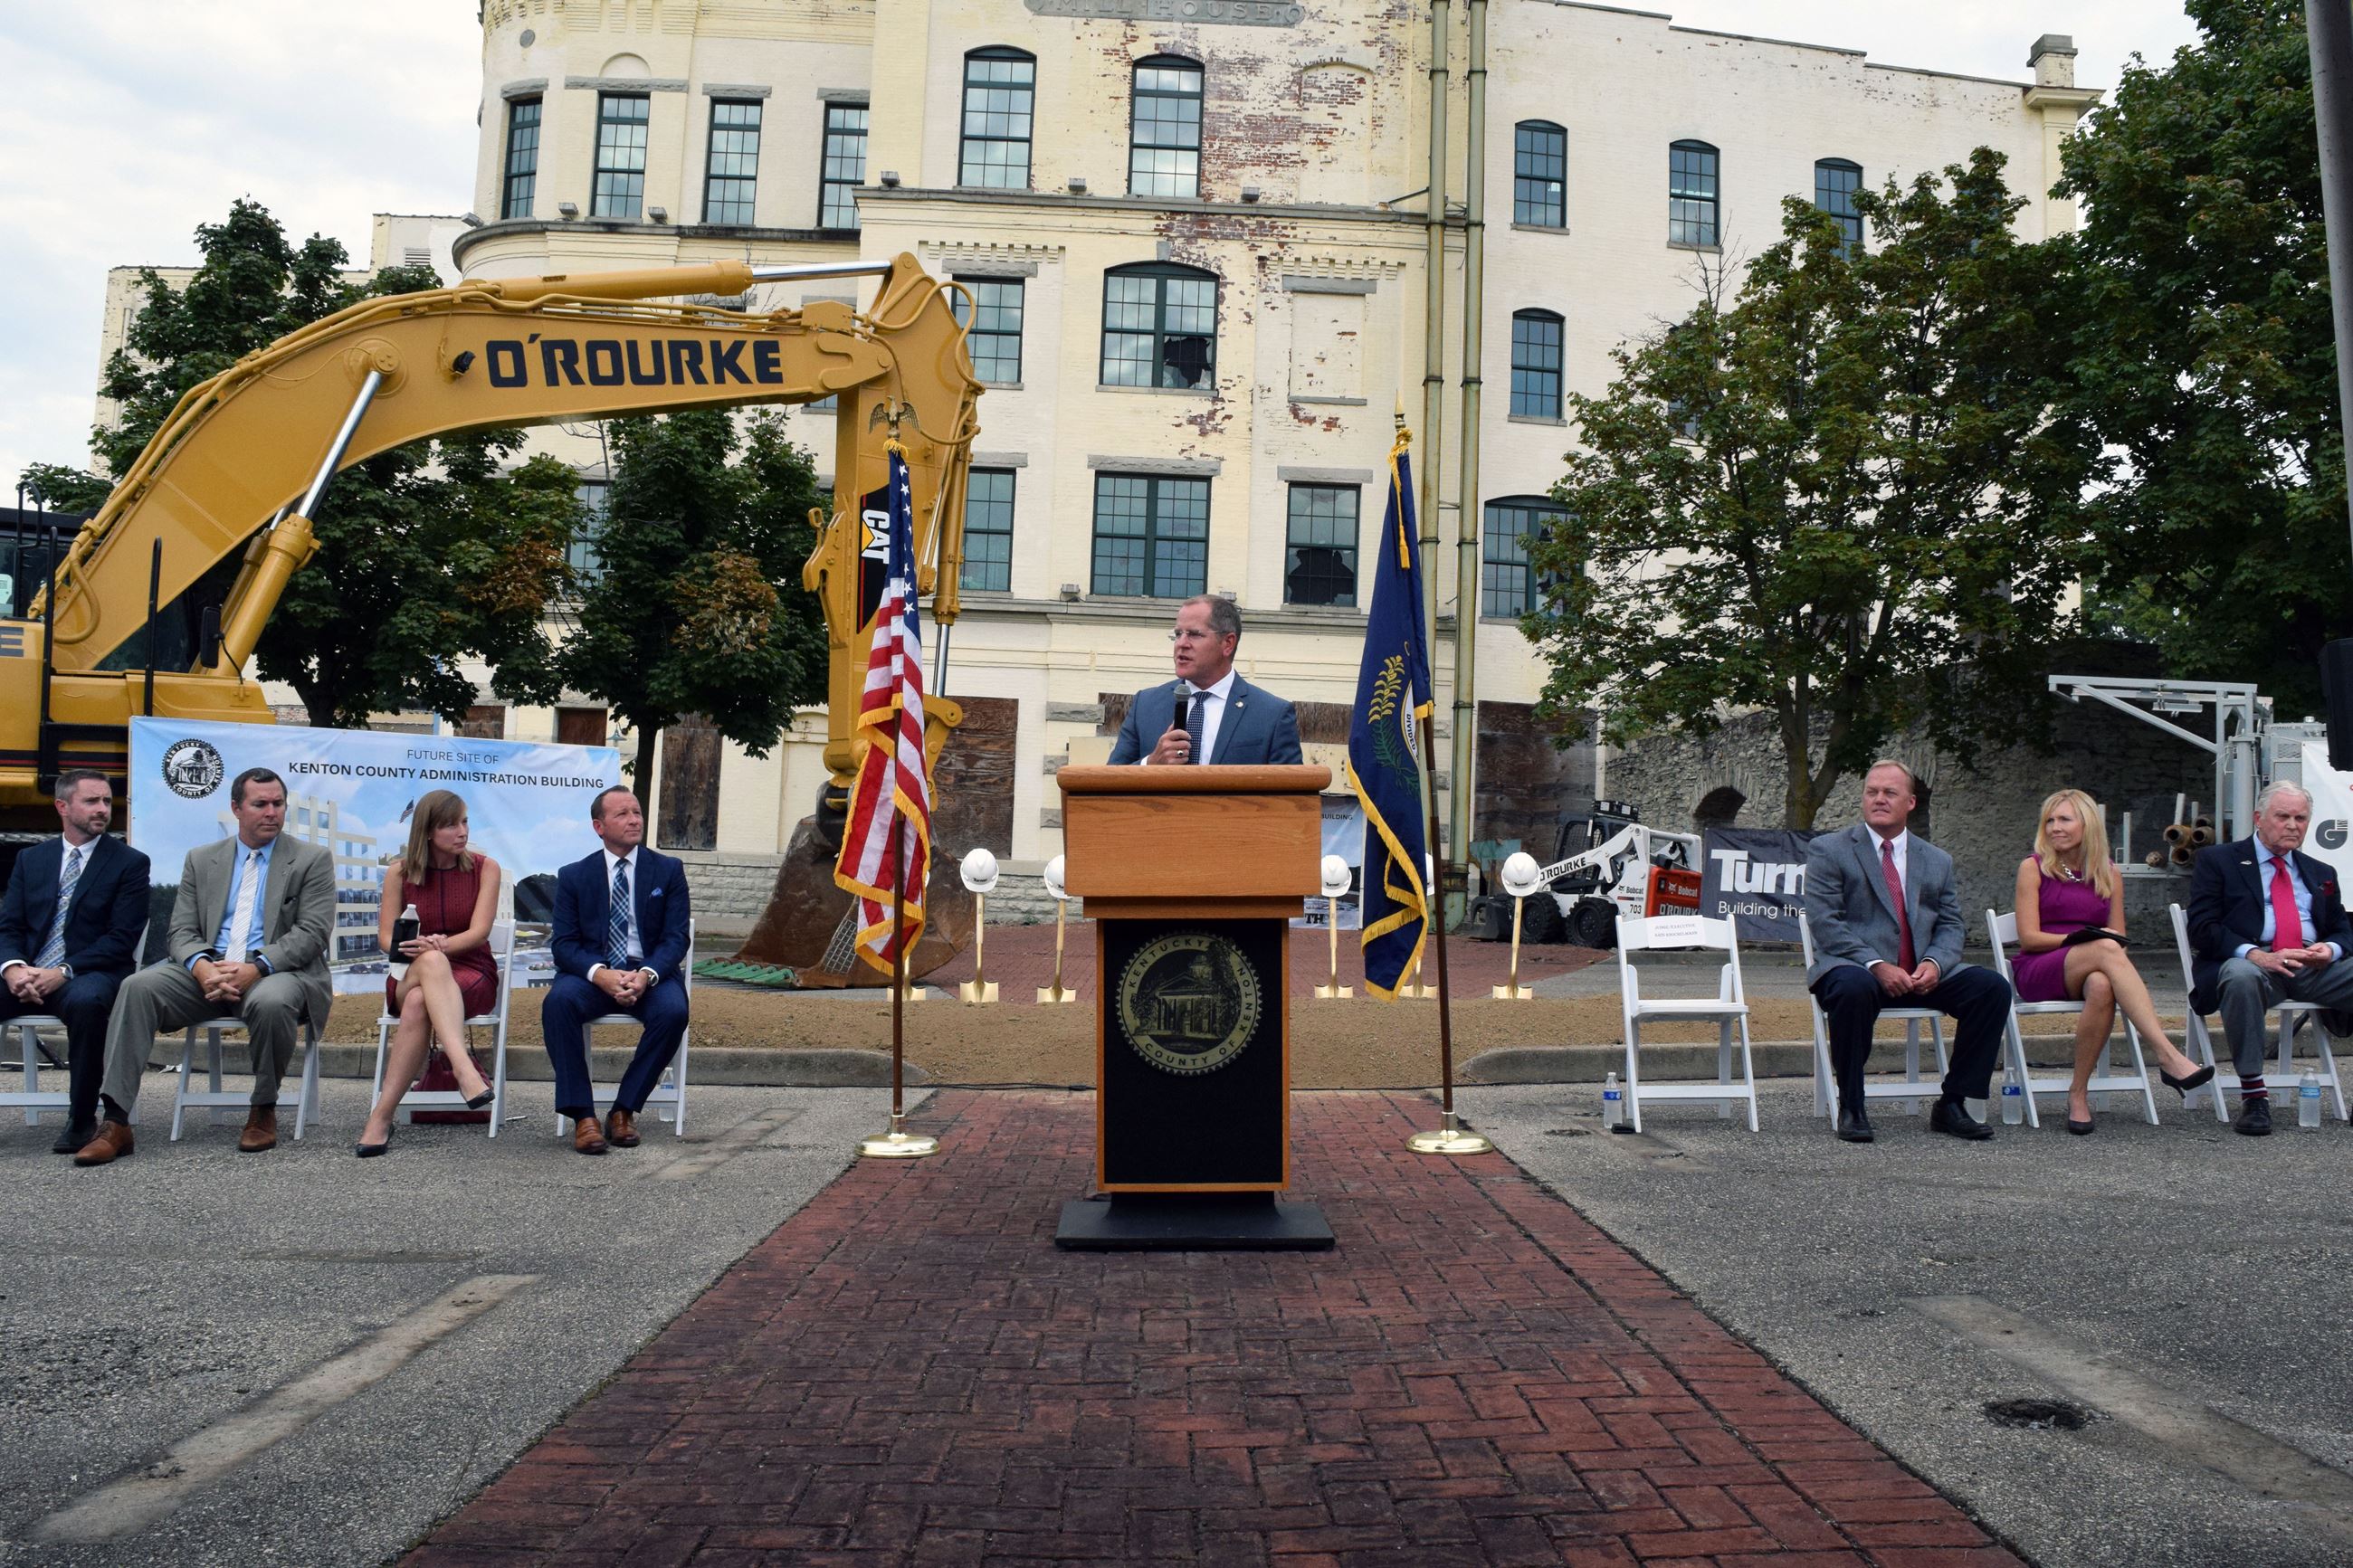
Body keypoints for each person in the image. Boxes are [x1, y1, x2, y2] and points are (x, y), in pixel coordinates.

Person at [78, 767, 334, 1164]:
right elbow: (180, 930)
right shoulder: (202, 859)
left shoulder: (310, 860)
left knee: (271, 1002)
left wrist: (256, 967)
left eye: (278, 804)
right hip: (207, 971)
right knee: (136, 987)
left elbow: (312, 933)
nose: (272, 812)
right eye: (260, 804)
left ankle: (263, 1109)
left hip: (276, 972)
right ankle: (115, 1122)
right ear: (236, 808)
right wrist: (203, 969)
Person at [1803, 760, 2012, 1144]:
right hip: (1855, 967)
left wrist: (1934, 962)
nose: (1879, 799)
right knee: (1852, 988)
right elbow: (1826, 924)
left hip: (1921, 971)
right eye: (1872, 792)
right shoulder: (1829, 850)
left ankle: (1952, 1102)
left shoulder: (1937, 860)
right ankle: (1852, 1104)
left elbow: (1951, 925)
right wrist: (1877, 963)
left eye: (1890, 793)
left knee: (1992, 987)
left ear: (1911, 802)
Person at [2010, 788, 2214, 1134]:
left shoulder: (2106, 871)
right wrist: (2080, 940)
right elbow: (2029, 938)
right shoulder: (2033, 868)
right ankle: (2167, 1055)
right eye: (2050, 820)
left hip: (2091, 968)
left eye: (2064, 819)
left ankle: (2078, 1093)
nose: (2055, 827)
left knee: (2103, 982)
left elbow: (2118, 936)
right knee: (2105, 948)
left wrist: (2098, 946)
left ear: (2087, 824)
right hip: (2039, 967)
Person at [2186, 780, 2353, 1136]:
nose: (2293, 825)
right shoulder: (2219, 861)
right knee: (2241, 974)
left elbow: (2342, 930)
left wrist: (2330, 950)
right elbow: (2202, 928)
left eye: (2301, 818)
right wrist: (2257, 955)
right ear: (2259, 818)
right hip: (2254, 964)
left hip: (2311, 967)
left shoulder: (2320, 872)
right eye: (2283, 816)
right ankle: (2254, 1095)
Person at [0, 770, 151, 1153]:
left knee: (87, 1003)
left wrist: (62, 971)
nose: (103, 809)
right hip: (28, 972)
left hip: (88, 972)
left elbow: (121, 939)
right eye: (92, 801)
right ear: (62, 807)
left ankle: (82, 1119)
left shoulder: (129, 863)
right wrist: (14, 968)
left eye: (106, 801)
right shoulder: (30, 859)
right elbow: (9, 926)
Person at [540, 786, 691, 1155]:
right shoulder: (575, 875)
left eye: (636, 812)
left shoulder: (667, 870)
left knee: (674, 1012)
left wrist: (647, 975)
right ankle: (583, 1117)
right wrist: (600, 974)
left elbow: (676, 938)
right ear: (599, 826)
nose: (634, 820)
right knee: (558, 1003)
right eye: (622, 814)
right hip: (593, 977)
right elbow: (563, 944)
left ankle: (624, 1110)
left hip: (648, 975)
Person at [355, 790, 501, 1156]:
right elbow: (386, 936)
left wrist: (438, 948)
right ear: (428, 831)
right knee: (429, 971)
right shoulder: (399, 873)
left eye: (465, 821)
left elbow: (479, 932)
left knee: (421, 999)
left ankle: (380, 1117)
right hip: (409, 970)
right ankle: (465, 1071)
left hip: (472, 972)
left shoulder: (486, 868)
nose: (462, 831)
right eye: (451, 824)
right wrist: (420, 949)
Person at [1107, 595, 1304, 766]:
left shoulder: (1272, 714)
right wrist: (1151, 764)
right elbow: (1108, 782)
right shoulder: (1146, 705)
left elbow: (1293, 797)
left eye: (1194, 634)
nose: (1181, 644)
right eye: (1177, 634)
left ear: (1228, 643)